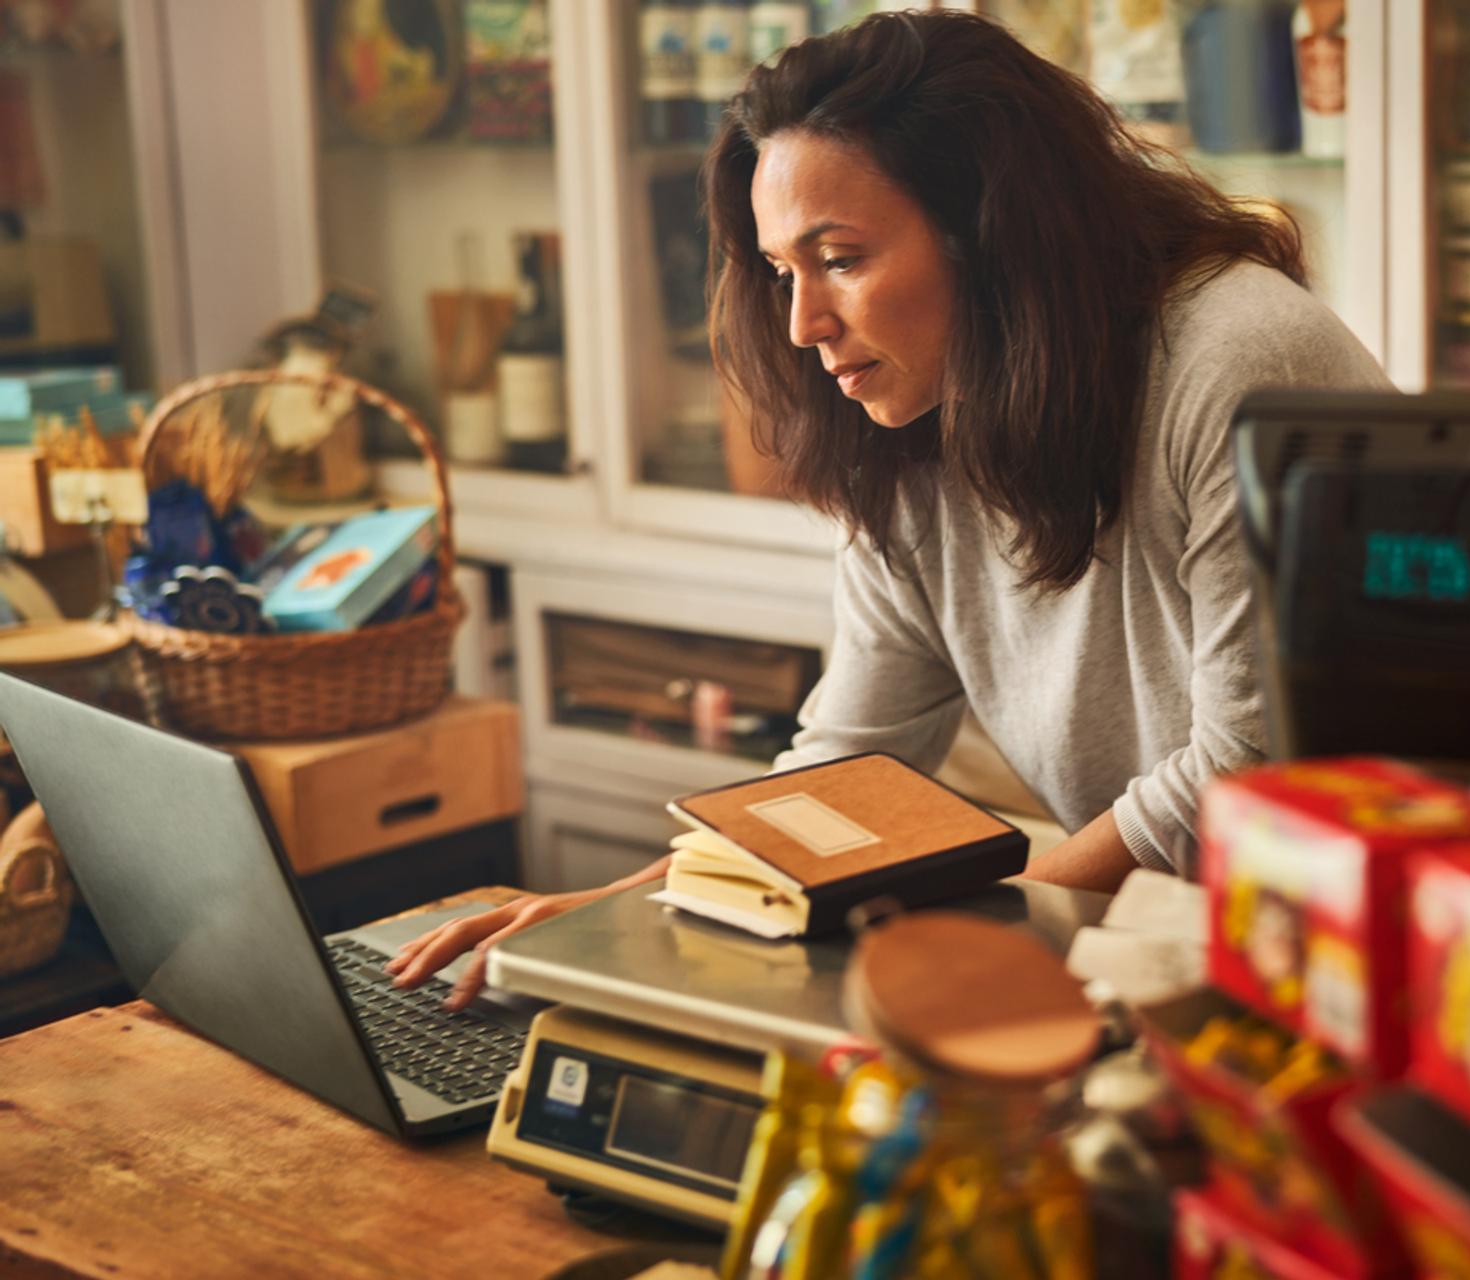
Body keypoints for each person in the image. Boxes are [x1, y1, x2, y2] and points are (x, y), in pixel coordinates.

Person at [390, 11, 1390, 1010]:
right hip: (1180, 943)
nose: (801, 324)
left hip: (1378, 946)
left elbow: (1244, 767)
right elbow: (848, 765)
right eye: (784, 270)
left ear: (997, 230)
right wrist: (607, 916)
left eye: (841, 257)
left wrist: (983, 944)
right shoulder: (916, 414)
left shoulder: (1240, 359)